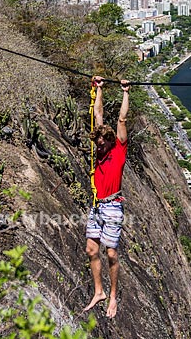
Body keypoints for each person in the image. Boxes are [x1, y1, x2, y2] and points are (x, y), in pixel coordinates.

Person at [84, 76, 130, 319]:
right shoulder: (99, 150)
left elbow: (121, 119)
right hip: (97, 206)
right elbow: (98, 114)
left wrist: (125, 92)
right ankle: (99, 291)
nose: (100, 146)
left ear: (111, 141)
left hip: (113, 205)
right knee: (92, 249)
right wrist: (98, 89)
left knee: (111, 253)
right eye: (98, 143)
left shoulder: (119, 149)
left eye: (103, 143)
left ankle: (113, 295)